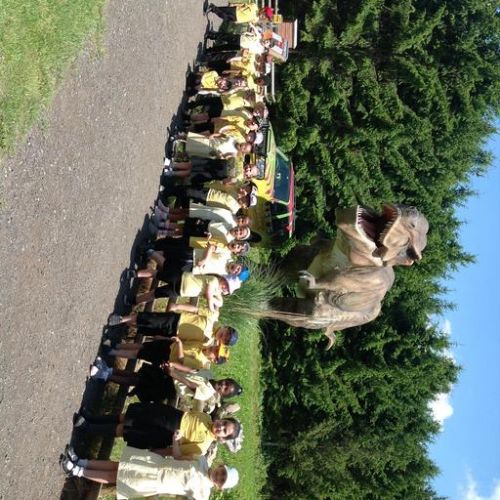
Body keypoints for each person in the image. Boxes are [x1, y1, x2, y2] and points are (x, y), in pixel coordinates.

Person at [61, 443, 239, 499]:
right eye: (222, 472)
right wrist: (175, 441)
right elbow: (178, 457)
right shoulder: (201, 460)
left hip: (152, 482)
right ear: (220, 467)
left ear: (219, 486)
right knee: (117, 465)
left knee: (114, 477)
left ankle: (76, 470)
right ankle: (80, 461)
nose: (219, 475)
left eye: (222, 479)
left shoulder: (203, 493)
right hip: (154, 464)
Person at [73, 402, 241, 456]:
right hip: (166, 415)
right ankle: (91, 418)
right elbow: (186, 413)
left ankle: (87, 428)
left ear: (222, 439)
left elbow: (176, 452)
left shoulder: (202, 447)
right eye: (224, 423)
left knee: (124, 430)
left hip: (164, 433)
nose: (220, 427)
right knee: (127, 417)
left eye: (224, 431)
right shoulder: (206, 417)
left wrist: (157, 452)